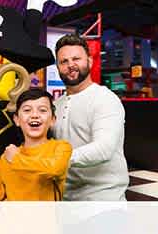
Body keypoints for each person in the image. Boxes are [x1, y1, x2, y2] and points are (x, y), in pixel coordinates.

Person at [53, 34, 129, 201]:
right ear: (57, 67)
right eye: (63, 61)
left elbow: (103, 149)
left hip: (103, 199)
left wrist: (53, 159)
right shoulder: (56, 105)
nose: (70, 65)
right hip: (65, 198)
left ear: (89, 61)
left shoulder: (104, 99)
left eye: (76, 59)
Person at [0, 88, 72, 201]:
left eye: (42, 110)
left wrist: (16, 159)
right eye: (27, 110)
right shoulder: (7, 157)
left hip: (46, 219)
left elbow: (54, 169)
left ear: (52, 120)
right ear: (17, 120)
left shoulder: (61, 148)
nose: (34, 115)